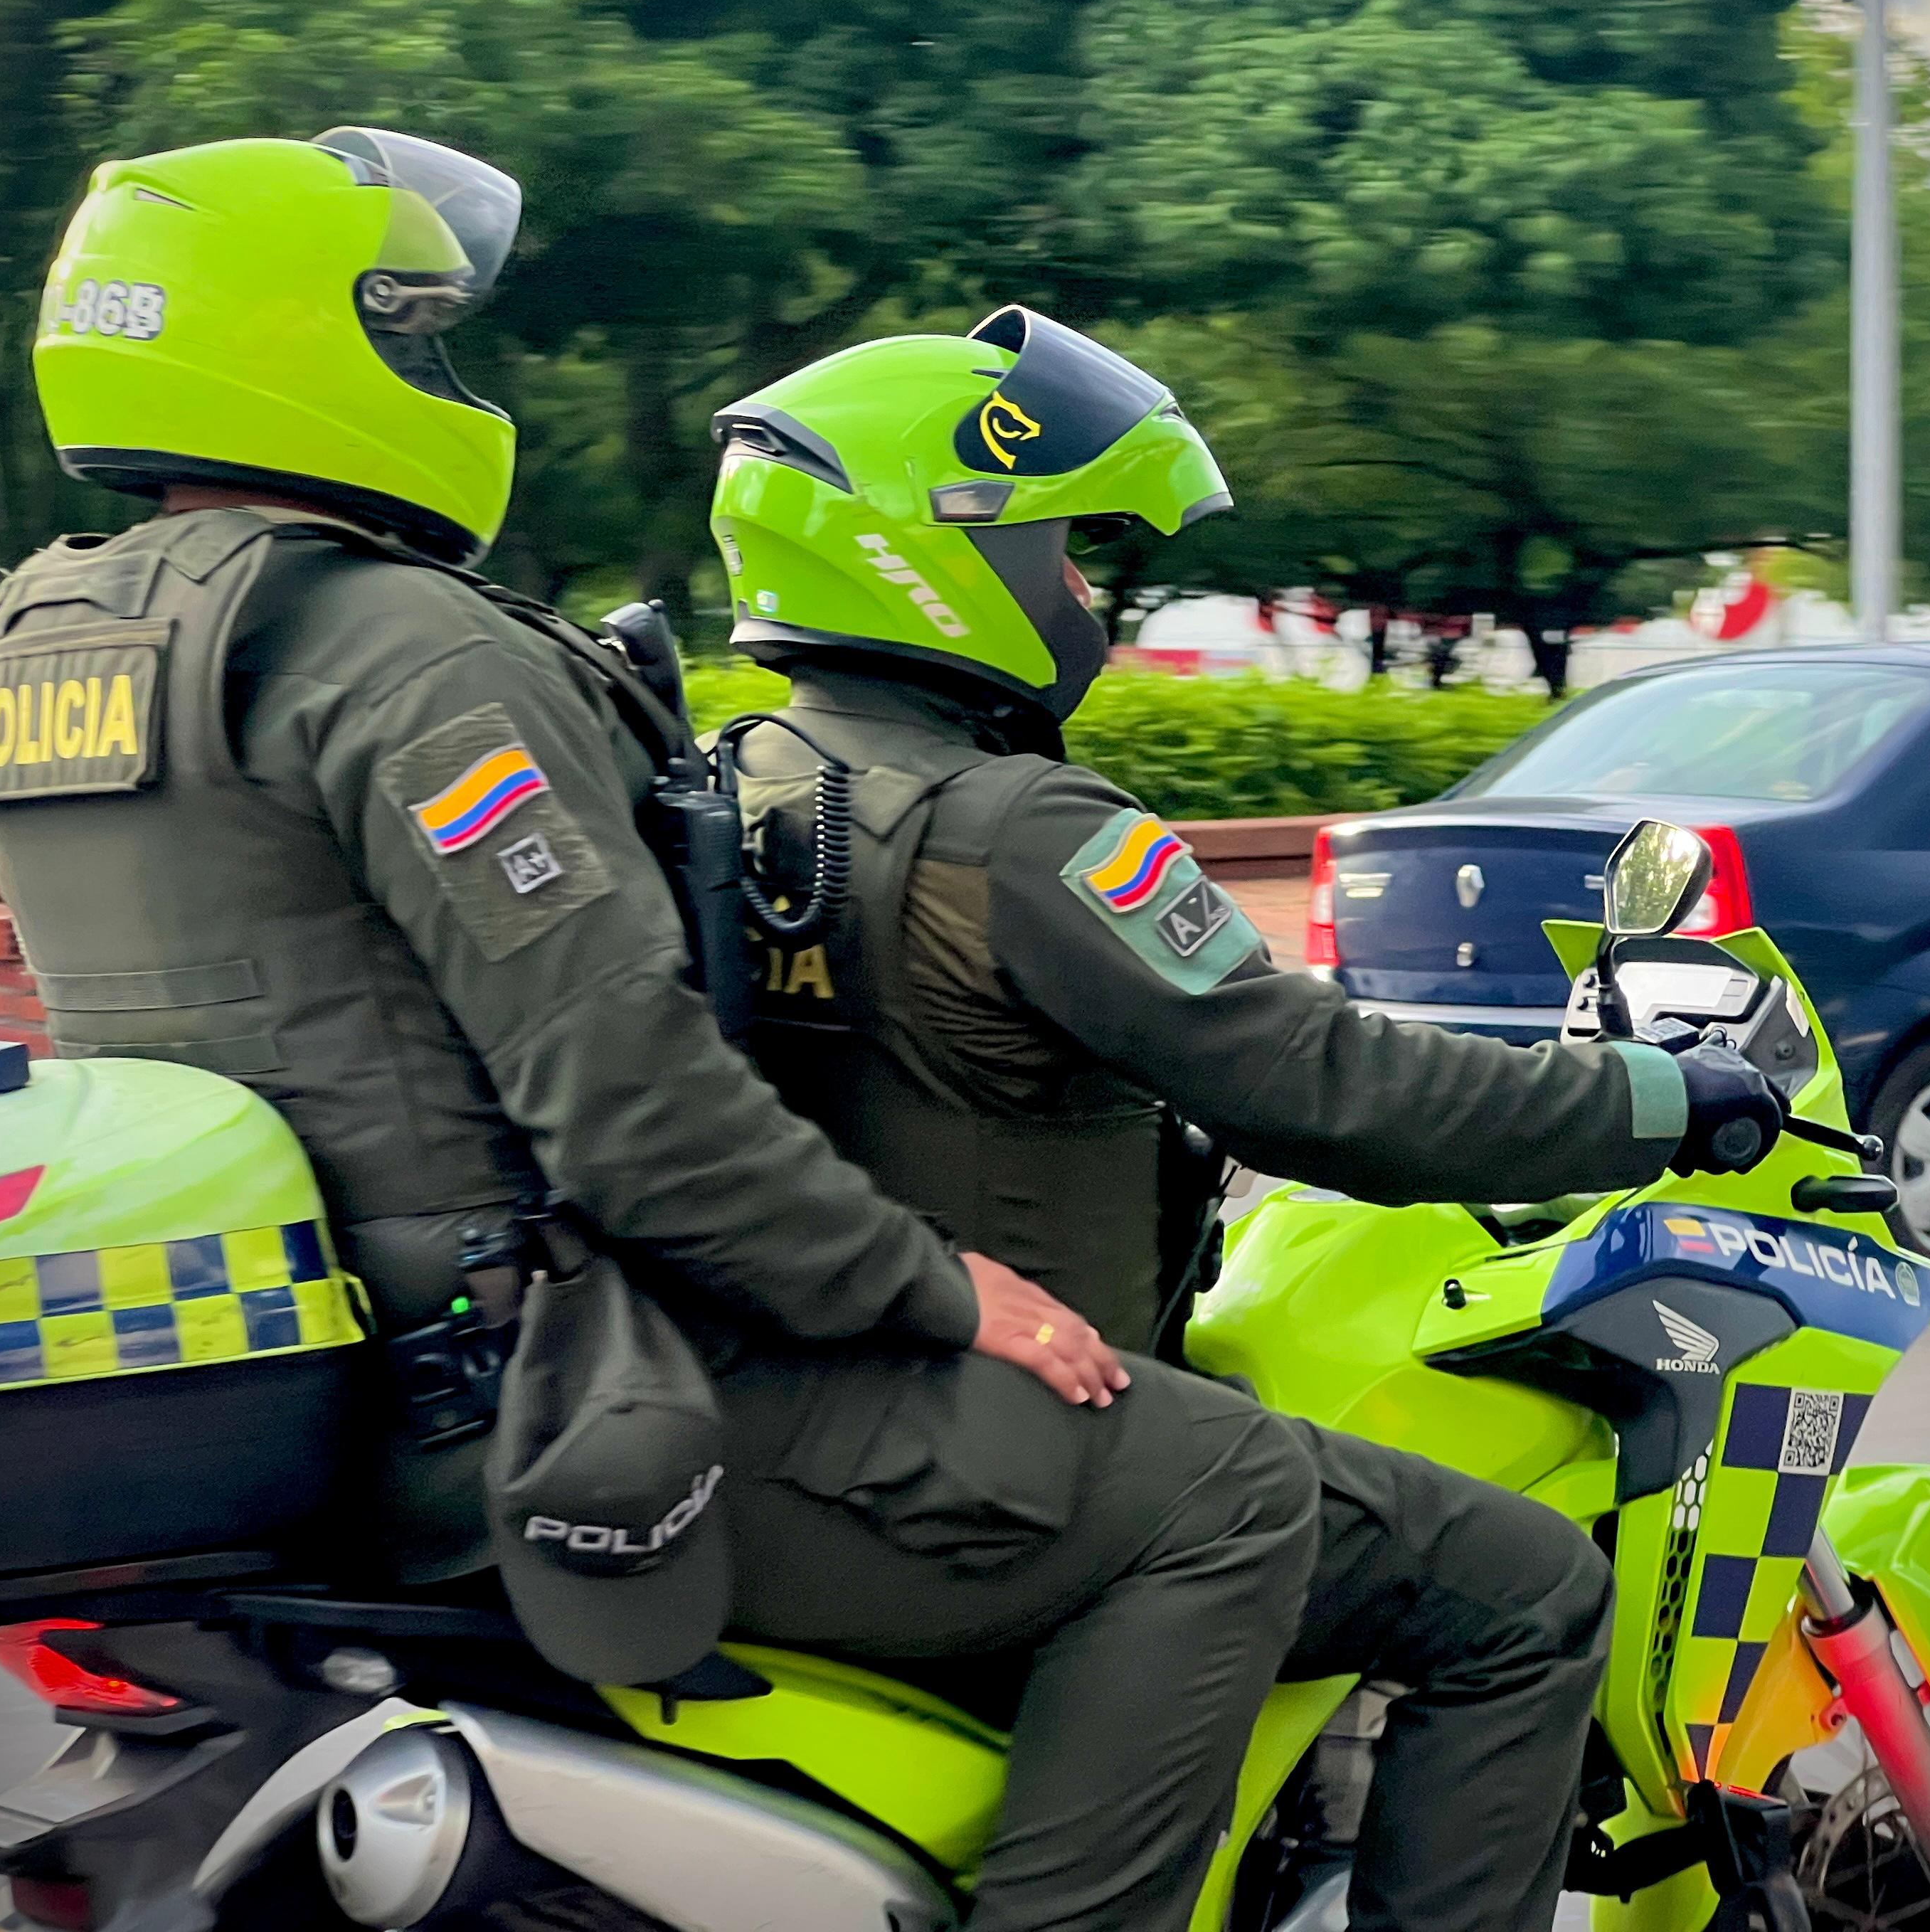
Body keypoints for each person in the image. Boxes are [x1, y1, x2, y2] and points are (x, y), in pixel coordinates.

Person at [0, 131, 1322, 1931]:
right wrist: (938, 1287)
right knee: (1232, 1492)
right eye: (412, 326)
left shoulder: (44, 633)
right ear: (292, 343)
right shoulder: (406, 652)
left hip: (311, 1373)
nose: (446, 373)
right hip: (535, 1389)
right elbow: (634, 1105)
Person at [715, 307, 1791, 1932]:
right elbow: (1328, 1088)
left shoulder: (741, 780)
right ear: (949, 553)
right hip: (1007, 1439)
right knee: (1525, 1589)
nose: (1083, 593)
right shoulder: (1022, 830)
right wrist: (1658, 1097)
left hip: (794, 1415)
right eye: (1070, 550)